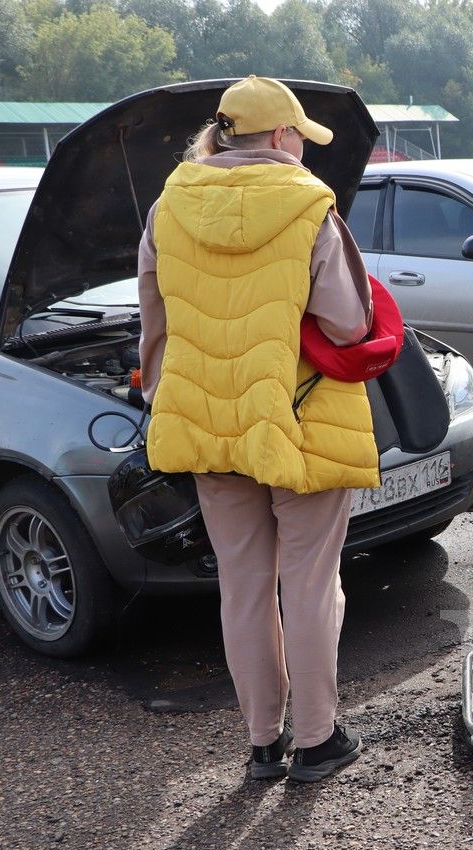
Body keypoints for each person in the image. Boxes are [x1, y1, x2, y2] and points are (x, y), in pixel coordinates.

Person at [137, 76, 375, 781]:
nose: (304, 148)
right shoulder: (308, 204)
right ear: (279, 138)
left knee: (242, 586)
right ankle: (317, 740)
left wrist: (165, 399)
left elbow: (154, 323)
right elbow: (348, 323)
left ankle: (262, 745)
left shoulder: (167, 205)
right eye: (301, 136)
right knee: (309, 584)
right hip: (297, 422)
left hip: (210, 428)